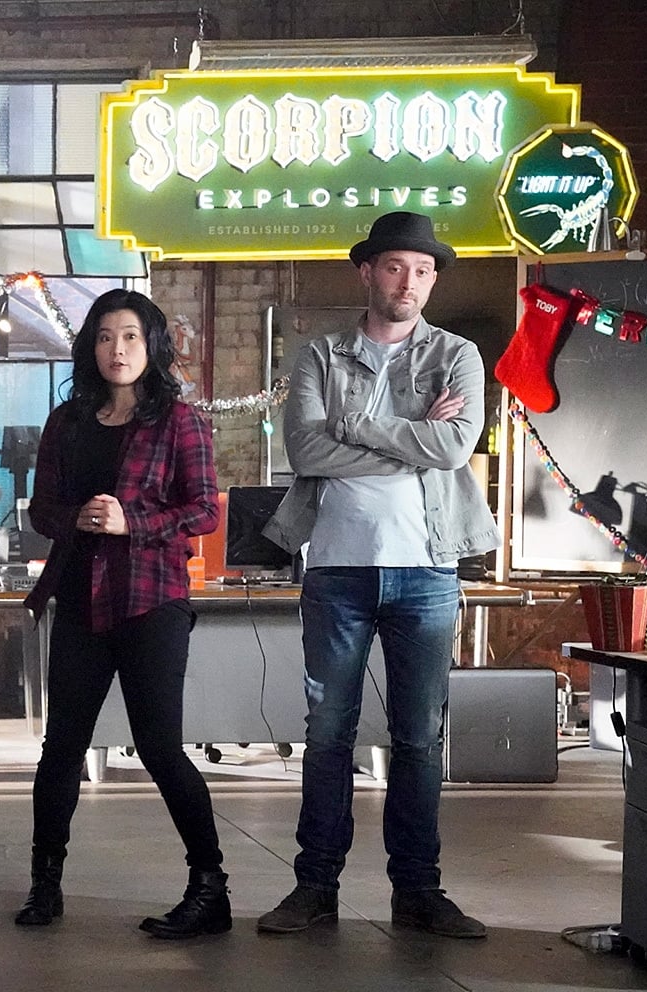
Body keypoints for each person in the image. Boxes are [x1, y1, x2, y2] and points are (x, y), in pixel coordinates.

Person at [256, 211, 500, 939]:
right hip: (337, 570)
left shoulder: (457, 355)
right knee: (328, 733)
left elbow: (453, 449)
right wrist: (413, 434)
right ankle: (315, 887)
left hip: (427, 569)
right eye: (396, 267)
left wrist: (355, 425)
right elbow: (306, 451)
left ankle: (418, 892)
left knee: (419, 738)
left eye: (423, 271)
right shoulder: (320, 357)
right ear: (367, 272)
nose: (409, 282)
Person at [15, 289, 228, 938]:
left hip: (150, 601)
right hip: (81, 601)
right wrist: (75, 518)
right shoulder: (68, 422)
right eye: (106, 336)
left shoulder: (179, 422)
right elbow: (41, 511)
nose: (118, 349)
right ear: (91, 346)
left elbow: (205, 511)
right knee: (61, 747)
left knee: (160, 747)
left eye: (131, 336)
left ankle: (210, 888)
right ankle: (45, 884)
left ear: (152, 345)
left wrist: (131, 520)